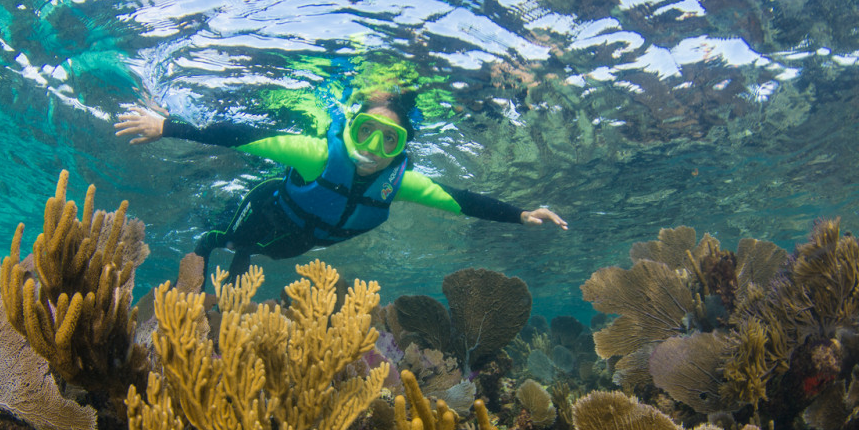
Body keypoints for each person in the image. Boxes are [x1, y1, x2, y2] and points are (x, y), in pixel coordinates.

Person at [115, 91, 567, 280]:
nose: (373, 148)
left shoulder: (398, 183)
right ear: (352, 127)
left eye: (390, 140)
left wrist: (520, 214)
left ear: (401, 149)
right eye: (367, 130)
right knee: (220, 237)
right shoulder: (315, 154)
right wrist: (167, 126)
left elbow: (459, 201)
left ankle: (244, 257)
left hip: (301, 242)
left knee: (262, 254)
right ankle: (203, 258)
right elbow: (243, 137)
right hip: (268, 208)